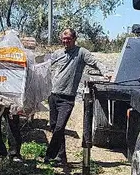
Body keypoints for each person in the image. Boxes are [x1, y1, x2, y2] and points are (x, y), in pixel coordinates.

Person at [44, 28, 104, 166]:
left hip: (67, 98)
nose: (66, 41)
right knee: (54, 127)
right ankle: (61, 157)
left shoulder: (81, 53)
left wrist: (106, 73)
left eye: (69, 39)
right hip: (53, 95)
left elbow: (95, 62)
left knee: (60, 127)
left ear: (74, 39)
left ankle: (49, 155)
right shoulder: (58, 53)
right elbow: (44, 65)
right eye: (64, 39)